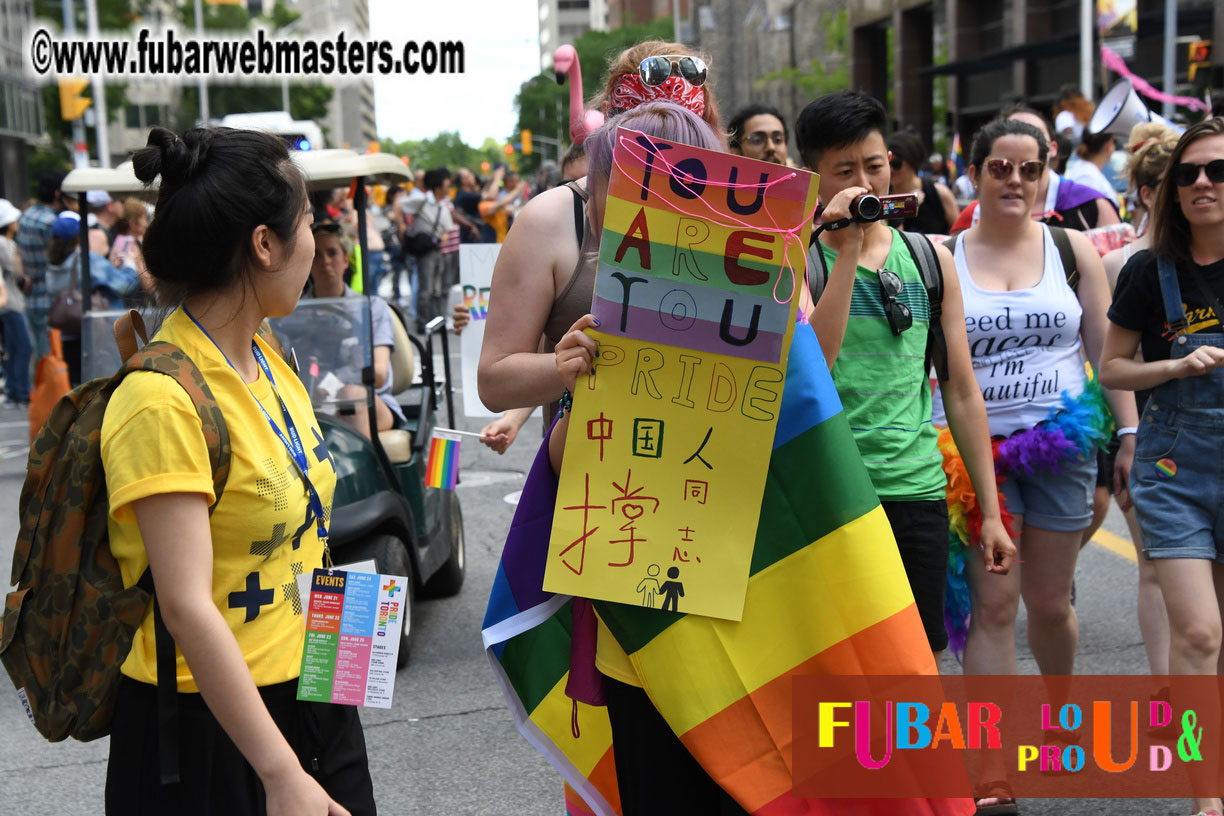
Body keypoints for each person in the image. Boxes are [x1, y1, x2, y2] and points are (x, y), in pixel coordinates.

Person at [101, 125, 374, 815]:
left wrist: (342, 682)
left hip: (314, 689)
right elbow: (187, 607)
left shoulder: (266, 355)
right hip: (211, 737)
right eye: (310, 219)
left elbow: (307, 535)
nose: (317, 239)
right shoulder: (160, 398)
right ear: (264, 243)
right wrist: (282, 777)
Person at [936, 117, 1139, 811]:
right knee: (992, 608)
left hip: (1060, 444)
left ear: (1047, 172)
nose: (1015, 181)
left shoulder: (1071, 248)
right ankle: (992, 767)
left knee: (1049, 604)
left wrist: (1130, 434)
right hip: (972, 456)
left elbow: (1106, 353)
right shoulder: (944, 255)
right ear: (976, 171)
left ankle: (1059, 715)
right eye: (1000, 168)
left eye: (1029, 168)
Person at [795, 90, 1013, 670]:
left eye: (875, 164)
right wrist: (844, 252)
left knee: (915, 666)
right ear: (812, 179)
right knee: (839, 668)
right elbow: (813, 362)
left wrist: (989, 512)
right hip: (832, 497)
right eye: (845, 171)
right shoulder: (797, 259)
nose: (865, 181)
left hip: (916, 493)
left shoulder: (928, 258)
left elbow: (962, 390)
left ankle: (908, 764)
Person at [1100, 117, 1224, 816]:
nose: (1202, 183)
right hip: (1174, 467)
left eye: (1217, 170)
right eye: (1188, 173)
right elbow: (1111, 364)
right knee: (1199, 632)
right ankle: (1206, 800)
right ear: (1170, 191)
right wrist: (1174, 362)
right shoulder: (1150, 270)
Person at [1096, 121, 1179, 681]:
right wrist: (1129, 435)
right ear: (1150, 193)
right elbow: (1110, 360)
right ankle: (1167, 685)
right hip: (1148, 431)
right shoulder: (1122, 263)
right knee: (1152, 564)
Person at [950, 104, 1121, 234]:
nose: (1023, 141)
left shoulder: (1092, 206)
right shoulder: (973, 215)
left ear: (1052, 148)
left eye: (1035, 135)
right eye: (1001, 168)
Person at [306, 219, 406, 438]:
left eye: (332, 253)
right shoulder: (294, 313)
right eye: (316, 255)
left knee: (349, 395)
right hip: (314, 402)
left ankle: (363, 471)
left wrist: (335, 382)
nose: (325, 262)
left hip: (367, 402)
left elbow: (379, 373)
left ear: (345, 259)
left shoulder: (372, 308)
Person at [45, 211, 140, 384]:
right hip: (96, 335)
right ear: (79, 235)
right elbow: (125, 285)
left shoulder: (53, 263)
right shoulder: (86, 260)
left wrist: (110, 268)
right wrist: (130, 265)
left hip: (68, 335)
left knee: (78, 389)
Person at [17, 168, 66, 362]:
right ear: (57, 193)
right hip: (50, 297)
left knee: (38, 356)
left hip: (29, 295)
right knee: (53, 358)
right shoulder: (51, 223)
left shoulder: (25, 216)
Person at [889, 130, 959, 234]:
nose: (890, 169)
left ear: (912, 162)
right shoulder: (883, 197)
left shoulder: (939, 193)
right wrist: (907, 204)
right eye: (887, 163)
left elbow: (958, 234)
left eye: (896, 164)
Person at [412, 167, 455, 327]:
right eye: (446, 186)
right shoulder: (421, 201)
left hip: (438, 250)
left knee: (436, 289)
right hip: (425, 250)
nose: (449, 189)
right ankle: (423, 323)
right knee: (426, 289)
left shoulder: (442, 206)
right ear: (437, 188)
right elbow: (400, 204)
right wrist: (403, 226)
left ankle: (433, 321)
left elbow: (448, 228)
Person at [0, 198, 29, 406]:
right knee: (22, 346)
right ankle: (18, 391)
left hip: (11, 301)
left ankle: (15, 390)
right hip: (9, 303)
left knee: (14, 347)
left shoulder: (9, 243)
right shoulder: (4, 244)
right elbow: (14, 270)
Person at [1065, 130, 1122, 208]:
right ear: (1108, 145)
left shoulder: (1087, 169)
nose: (1114, 148)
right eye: (1113, 143)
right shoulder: (1086, 175)